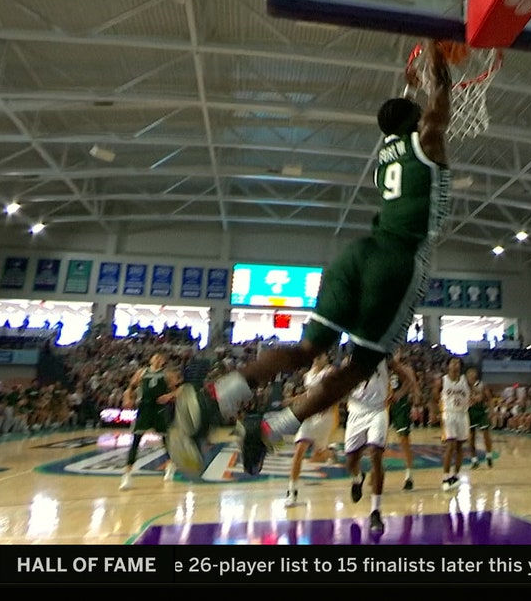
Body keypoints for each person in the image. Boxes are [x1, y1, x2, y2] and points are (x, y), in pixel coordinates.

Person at [166, 40, 453, 478]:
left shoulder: (385, 157)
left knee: (306, 349)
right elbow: (441, 101)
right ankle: (267, 428)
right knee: (356, 368)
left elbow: (419, 112)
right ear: (415, 122)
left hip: (357, 254)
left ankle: (215, 397)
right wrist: (436, 53)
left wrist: (414, 82)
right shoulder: (428, 139)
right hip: (397, 261)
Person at [343, 355, 418, 535]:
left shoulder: (384, 357)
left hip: (378, 410)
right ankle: (358, 477)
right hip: (355, 411)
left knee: (376, 454)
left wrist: (400, 393)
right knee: (351, 461)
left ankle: (376, 511)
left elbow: (407, 377)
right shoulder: (349, 361)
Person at [119, 353, 180, 490]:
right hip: (144, 408)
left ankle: (170, 464)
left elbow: (179, 391)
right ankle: (127, 475)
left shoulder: (168, 374)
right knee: (136, 440)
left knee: (165, 439)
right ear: (150, 359)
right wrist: (128, 398)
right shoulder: (141, 372)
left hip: (159, 408)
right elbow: (130, 388)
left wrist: (168, 396)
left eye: (160, 357)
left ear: (164, 360)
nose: (158, 359)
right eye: (155, 357)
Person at [285, 353, 339, 506]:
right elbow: (310, 394)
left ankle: (330, 452)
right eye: (315, 355)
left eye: (319, 355)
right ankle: (292, 492)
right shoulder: (308, 375)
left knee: (318, 454)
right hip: (311, 416)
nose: (316, 357)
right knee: (299, 450)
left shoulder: (330, 372)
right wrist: (295, 399)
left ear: (326, 358)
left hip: (326, 417)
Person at [387, 352, 420, 491]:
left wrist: (415, 406)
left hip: (401, 405)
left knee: (404, 440)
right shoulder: (383, 368)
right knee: (376, 442)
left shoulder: (406, 369)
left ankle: (409, 475)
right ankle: (374, 474)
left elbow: (414, 387)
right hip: (383, 405)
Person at [439, 357, 472, 491]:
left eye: (457, 363)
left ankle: (455, 475)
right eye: (452, 362)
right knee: (450, 445)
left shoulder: (466, 380)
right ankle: (445, 477)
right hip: (449, 414)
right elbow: (434, 397)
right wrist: (435, 412)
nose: (455, 365)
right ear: (447, 366)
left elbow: (476, 392)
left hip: (463, 414)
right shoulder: (442, 380)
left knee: (459, 447)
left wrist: (476, 397)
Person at [465, 365, 495, 469]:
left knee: (486, 434)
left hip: (481, 411)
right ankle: (474, 460)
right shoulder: (464, 386)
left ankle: (489, 455)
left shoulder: (482, 385)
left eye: (472, 373)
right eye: (468, 373)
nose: (470, 375)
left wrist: (492, 411)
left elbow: (490, 399)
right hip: (469, 412)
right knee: (471, 437)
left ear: (476, 374)